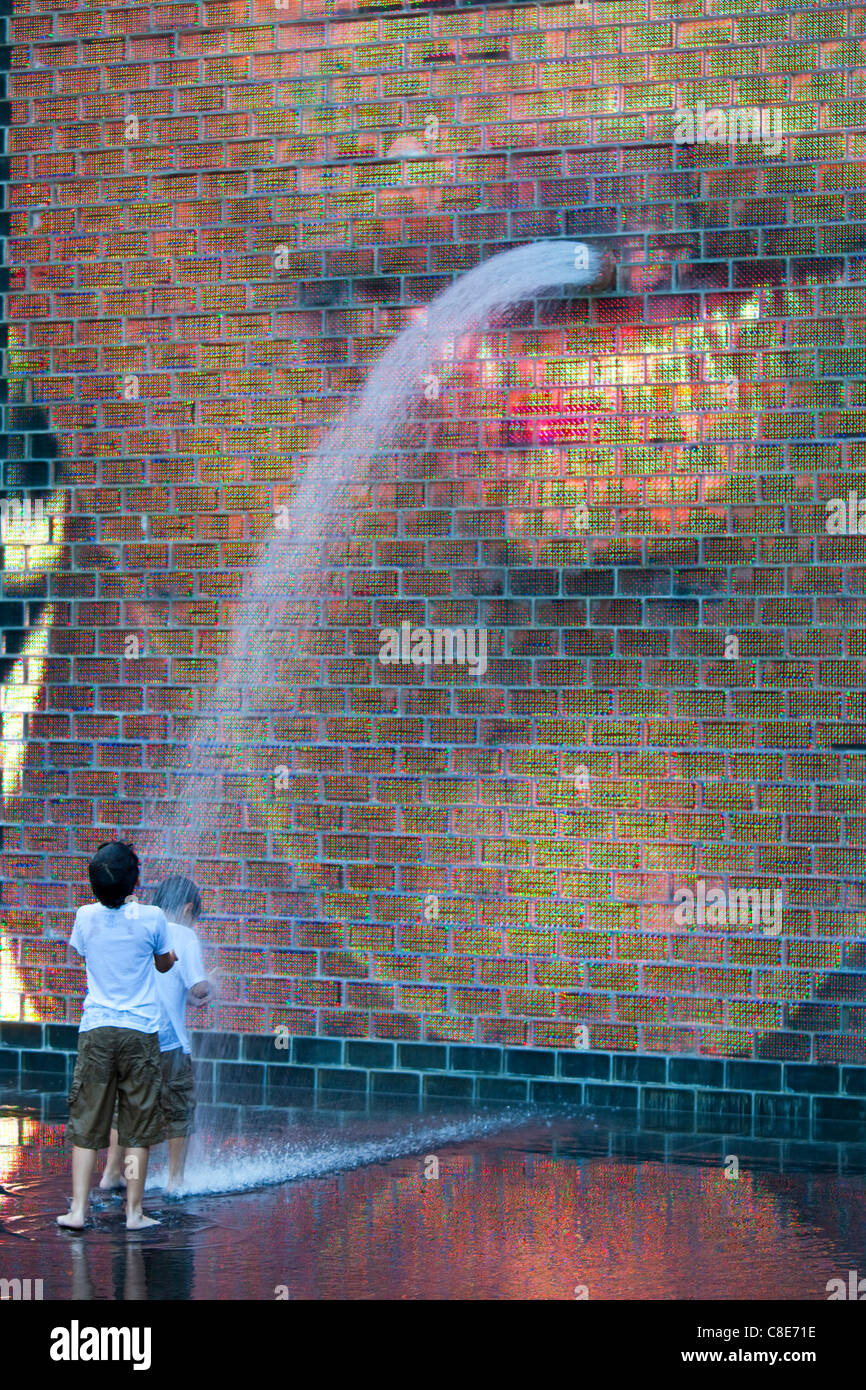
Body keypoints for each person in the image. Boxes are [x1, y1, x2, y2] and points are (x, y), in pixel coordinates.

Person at [57, 841, 175, 1231]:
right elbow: (162, 966)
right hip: (139, 1031)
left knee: (87, 1123)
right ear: (135, 880)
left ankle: (77, 1211)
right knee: (137, 1125)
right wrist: (169, 956)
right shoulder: (153, 917)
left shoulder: (84, 917)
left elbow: (86, 955)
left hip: (96, 1030)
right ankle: (134, 1214)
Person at [100, 874, 213, 1197]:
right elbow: (197, 986)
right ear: (188, 908)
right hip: (168, 1042)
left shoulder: (138, 927)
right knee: (179, 1107)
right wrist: (211, 985)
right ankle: (175, 1181)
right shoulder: (184, 935)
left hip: (129, 1034)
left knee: (127, 1105)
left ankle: (111, 1173)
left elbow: (158, 982)